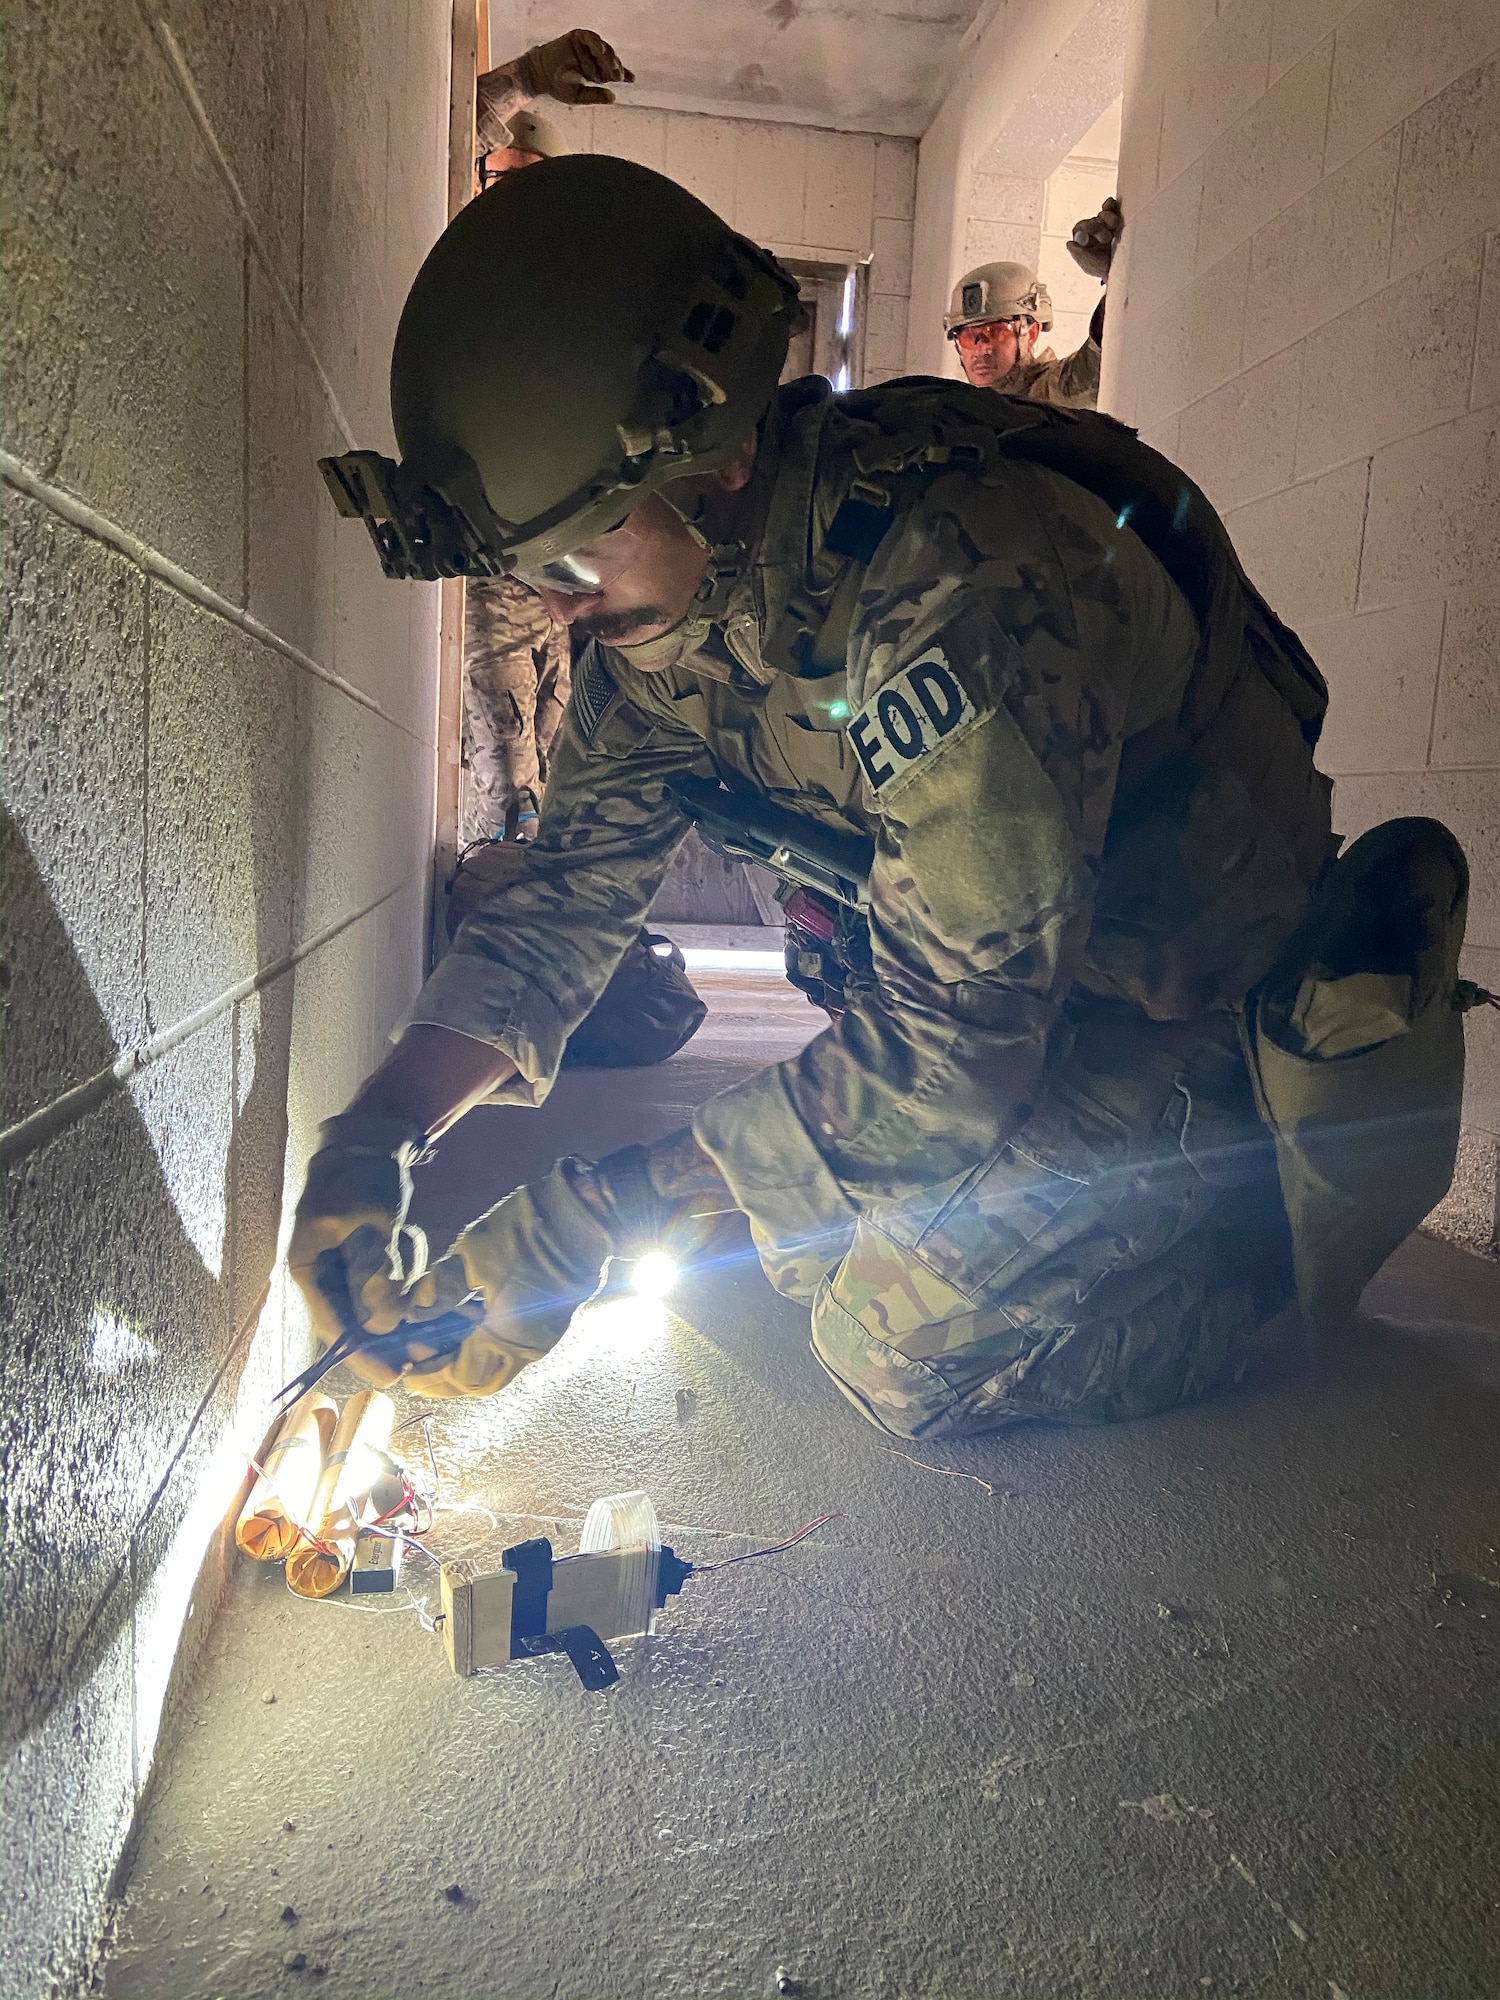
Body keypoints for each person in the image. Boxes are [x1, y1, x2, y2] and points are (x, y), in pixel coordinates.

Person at [293, 156, 1468, 1436]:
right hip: (1024, 995)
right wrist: (381, 1132)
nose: (559, 605)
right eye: (527, 574)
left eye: (576, 555)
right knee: (793, 1234)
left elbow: (949, 1058)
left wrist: (600, 1212)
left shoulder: (963, 587)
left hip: (1180, 1009)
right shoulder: (663, 617)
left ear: (722, 458)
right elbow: (560, 906)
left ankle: (1248, 1254)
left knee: (895, 1341)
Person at [460, 32, 634, 843]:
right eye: (501, 180)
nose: (512, 197)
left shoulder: (573, 298)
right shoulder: (459, 272)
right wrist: (524, 80)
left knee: (555, 763)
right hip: (491, 564)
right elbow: (459, 128)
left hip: (556, 571)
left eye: (533, 189)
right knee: (506, 770)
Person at [945, 197, 1121, 408]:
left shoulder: (1051, 393)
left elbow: (1093, 370)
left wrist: (1115, 278)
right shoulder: (962, 414)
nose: (981, 349)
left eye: (996, 332)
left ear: (1031, 333)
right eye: (968, 337)